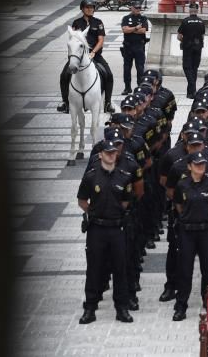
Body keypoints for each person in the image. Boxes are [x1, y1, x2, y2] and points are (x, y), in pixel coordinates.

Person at [77, 139, 134, 324]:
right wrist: (95, 213)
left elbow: (126, 201)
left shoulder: (124, 176)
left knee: (120, 268)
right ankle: (90, 308)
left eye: (114, 152)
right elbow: (82, 201)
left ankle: (122, 308)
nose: (111, 155)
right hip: (97, 229)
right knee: (94, 269)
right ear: (100, 155)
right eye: (107, 152)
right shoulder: (91, 176)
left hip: (117, 228)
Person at [172, 151, 208, 322]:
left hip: (206, 230)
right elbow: (179, 206)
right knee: (185, 270)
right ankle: (181, 306)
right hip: (187, 231)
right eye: (197, 164)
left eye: (202, 164)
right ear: (189, 166)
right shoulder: (182, 185)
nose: (200, 167)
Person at [59, 0, 114, 114]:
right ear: (82, 9)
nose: (90, 10)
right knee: (64, 75)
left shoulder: (98, 22)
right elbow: (72, 39)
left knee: (108, 75)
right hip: (79, 57)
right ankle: (65, 102)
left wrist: (93, 52)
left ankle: (107, 103)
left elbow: (101, 40)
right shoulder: (76, 23)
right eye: (87, 7)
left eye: (92, 7)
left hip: (95, 55)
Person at [177, 3, 206, 99]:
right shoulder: (201, 22)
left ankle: (192, 89)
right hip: (198, 48)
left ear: (189, 10)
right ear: (197, 10)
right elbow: (202, 36)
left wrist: (184, 40)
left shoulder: (185, 21)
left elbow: (179, 36)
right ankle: (190, 92)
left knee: (187, 68)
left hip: (188, 48)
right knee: (194, 68)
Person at [120, 0, 149, 95]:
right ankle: (127, 87)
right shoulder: (126, 18)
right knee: (126, 68)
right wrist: (136, 28)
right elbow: (124, 30)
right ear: (131, 8)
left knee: (140, 68)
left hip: (139, 46)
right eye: (136, 8)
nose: (138, 9)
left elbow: (143, 31)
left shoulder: (143, 18)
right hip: (128, 47)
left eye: (139, 8)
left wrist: (131, 29)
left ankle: (140, 87)